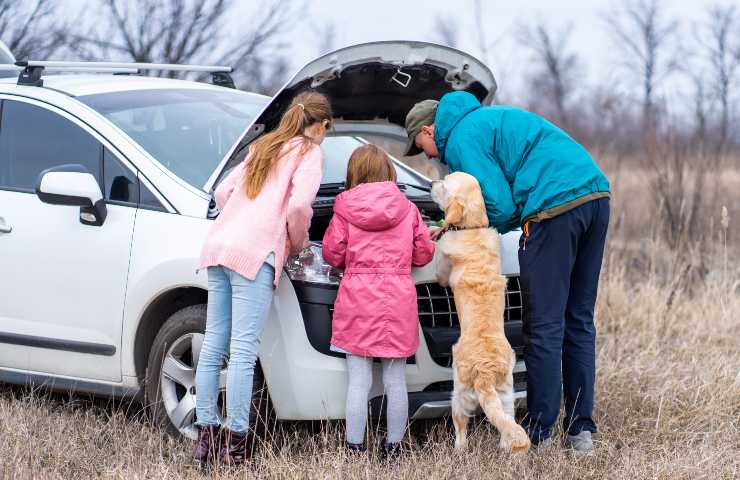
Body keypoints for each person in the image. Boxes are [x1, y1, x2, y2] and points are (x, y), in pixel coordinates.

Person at [404, 91, 610, 453]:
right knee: (578, 320)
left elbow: (498, 203)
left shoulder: (461, 137)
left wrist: (462, 229)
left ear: (428, 130)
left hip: (553, 206)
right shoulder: (487, 119)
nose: (428, 157)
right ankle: (580, 431)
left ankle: (541, 431)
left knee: (544, 324)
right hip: (595, 195)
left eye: (421, 147)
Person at [194, 91, 332, 467]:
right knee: (242, 352)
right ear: (319, 125)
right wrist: (298, 241)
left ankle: (205, 442)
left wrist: (243, 215)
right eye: (326, 129)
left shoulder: (264, 145)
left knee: (213, 346)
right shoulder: (308, 152)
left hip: (220, 246)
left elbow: (223, 192)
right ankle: (236, 448)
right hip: (256, 255)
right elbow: (301, 206)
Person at [322, 144, 435, 458]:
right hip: (397, 299)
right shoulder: (408, 208)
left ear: (354, 174)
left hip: (357, 298)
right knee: (395, 379)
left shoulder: (344, 208)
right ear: (388, 171)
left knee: (358, 381)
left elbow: (332, 254)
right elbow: (424, 253)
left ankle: (355, 447)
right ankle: (395, 448)